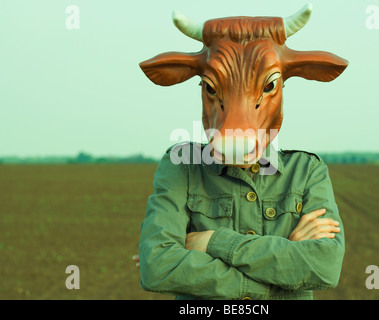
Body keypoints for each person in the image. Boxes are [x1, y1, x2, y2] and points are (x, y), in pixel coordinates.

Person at [133, 4, 346, 300]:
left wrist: (212, 242)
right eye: (211, 87)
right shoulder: (181, 165)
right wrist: (285, 266)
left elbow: (324, 267)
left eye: (269, 85)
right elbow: (158, 268)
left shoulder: (307, 171)